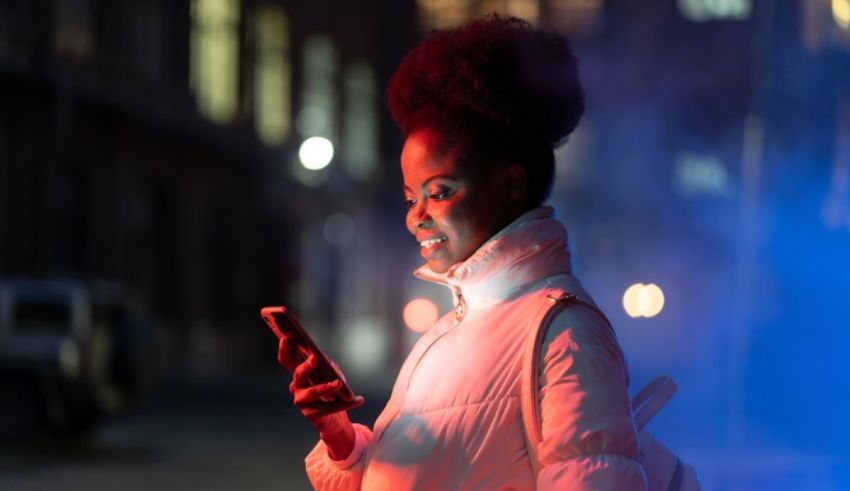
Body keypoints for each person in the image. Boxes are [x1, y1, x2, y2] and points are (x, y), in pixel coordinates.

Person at [280, 14, 650, 490]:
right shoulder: (448, 332)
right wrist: (340, 438)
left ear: (510, 185)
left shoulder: (565, 336)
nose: (416, 217)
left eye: (439, 192)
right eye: (410, 199)